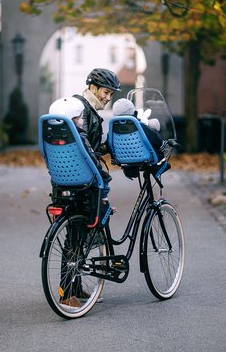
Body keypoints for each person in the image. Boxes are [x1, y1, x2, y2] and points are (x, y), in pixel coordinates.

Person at [48, 96, 112, 308]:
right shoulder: (79, 137)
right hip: (85, 190)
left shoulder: (54, 138)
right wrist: (105, 181)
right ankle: (66, 293)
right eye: (79, 118)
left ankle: (74, 288)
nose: (82, 122)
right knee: (76, 242)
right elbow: (92, 161)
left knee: (72, 241)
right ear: (71, 120)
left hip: (61, 188)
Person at [73, 68, 122, 155]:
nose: (108, 98)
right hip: (83, 167)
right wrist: (99, 168)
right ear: (93, 88)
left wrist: (108, 146)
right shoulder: (81, 108)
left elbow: (93, 148)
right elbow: (83, 146)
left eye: (111, 94)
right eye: (106, 92)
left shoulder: (90, 109)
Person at [112, 98, 167, 163]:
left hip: (121, 158)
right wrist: (161, 142)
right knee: (158, 151)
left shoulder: (113, 127)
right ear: (134, 113)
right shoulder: (139, 126)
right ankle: (157, 167)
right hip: (142, 156)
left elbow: (109, 143)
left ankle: (130, 171)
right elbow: (154, 138)